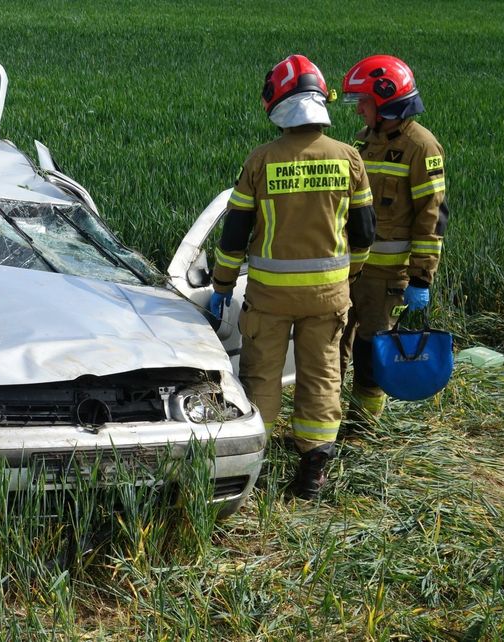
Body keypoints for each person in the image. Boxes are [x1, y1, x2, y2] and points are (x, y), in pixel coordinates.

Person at [208, 54, 376, 499]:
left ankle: (253, 466)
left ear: (279, 104)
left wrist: (222, 286)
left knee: (261, 375)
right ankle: (312, 472)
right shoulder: (349, 159)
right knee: (322, 373)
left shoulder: (262, 160)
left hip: (269, 297)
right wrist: (347, 276)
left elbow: (235, 235)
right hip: (327, 297)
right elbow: (364, 234)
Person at [337, 55, 448, 431]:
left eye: (363, 103)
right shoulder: (364, 141)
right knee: (335, 345)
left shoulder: (422, 147)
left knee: (370, 351)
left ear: (386, 102)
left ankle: (362, 428)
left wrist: (421, 280)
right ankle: (328, 418)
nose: (359, 113)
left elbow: (431, 218)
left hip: (386, 277)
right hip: (350, 270)